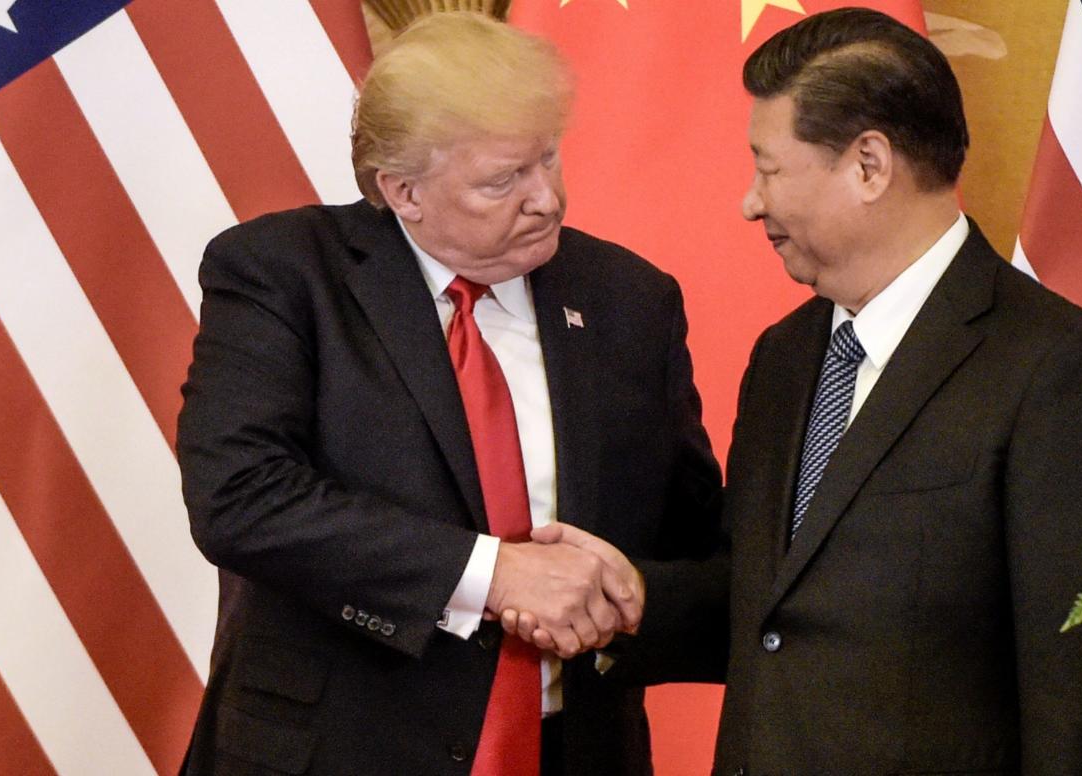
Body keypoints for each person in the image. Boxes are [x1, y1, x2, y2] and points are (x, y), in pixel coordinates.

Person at [531, 7, 1082, 775]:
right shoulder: (786, 356)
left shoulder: (1061, 370)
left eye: (768, 168)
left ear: (869, 165)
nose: (749, 202)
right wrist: (633, 597)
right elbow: (768, 600)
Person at [174, 11, 721, 776]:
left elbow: (700, 554)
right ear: (403, 191)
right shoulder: (286, 274)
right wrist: (492, 573)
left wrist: (628, 595)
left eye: (549, 160)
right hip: (336, 752)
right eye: (504, 180)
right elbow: (239, 498)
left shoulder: (630, 299)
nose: (547, 199)